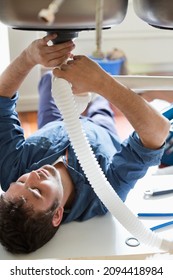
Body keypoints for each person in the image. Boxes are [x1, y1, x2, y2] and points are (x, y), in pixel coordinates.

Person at [0, 34, 170, 254]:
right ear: (57, 214)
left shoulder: (10, 171)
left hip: (55, 122)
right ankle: (105, 69)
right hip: (101, 132)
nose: (32, 175)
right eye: (37, 190)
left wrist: (28, 57)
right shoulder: (105, 194)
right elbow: (158, 130)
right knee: (100, 105)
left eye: (22, 181)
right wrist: (101, 82)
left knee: (48, 81)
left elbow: (2, 100)